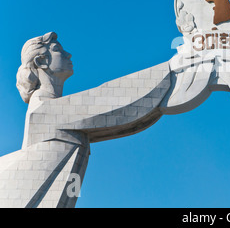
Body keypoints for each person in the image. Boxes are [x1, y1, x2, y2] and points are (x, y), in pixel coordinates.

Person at [0, 32, 171, 207]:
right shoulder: (44, 112)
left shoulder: (49, 110)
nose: (68, 54)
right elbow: (122, 100)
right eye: (58, 49)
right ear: (41, 61)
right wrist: (172, 69)